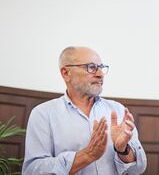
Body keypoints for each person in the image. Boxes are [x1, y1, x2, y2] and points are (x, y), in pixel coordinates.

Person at [22, 46, 147, 175]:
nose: (100, 74)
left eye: (101, 67)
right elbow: (33, 170)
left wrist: (123, 150)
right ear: (66, 73)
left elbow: (138, 169)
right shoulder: (43, 114)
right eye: (91, 67)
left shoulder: (118, 111)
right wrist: (87, 155)